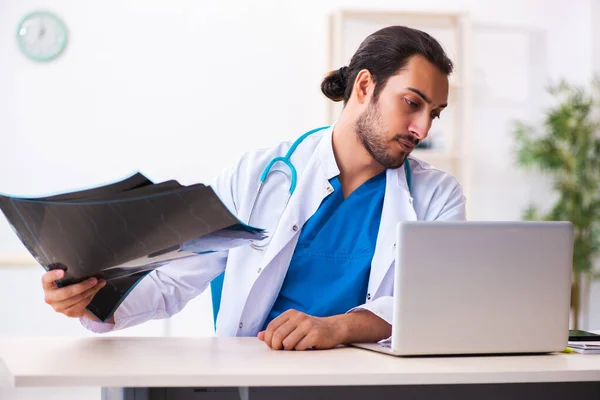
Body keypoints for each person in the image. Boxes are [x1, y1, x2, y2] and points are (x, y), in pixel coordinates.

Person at [41, 25, 466, 351]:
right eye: (412, 103)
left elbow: (441, 303)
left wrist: (340, 326)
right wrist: (90, 300)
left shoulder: (438, 196)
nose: (422, 128)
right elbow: (174, 280)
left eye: (435, 114)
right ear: (364, 86)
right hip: (258, 379)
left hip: (370, 386)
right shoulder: (259, 175)